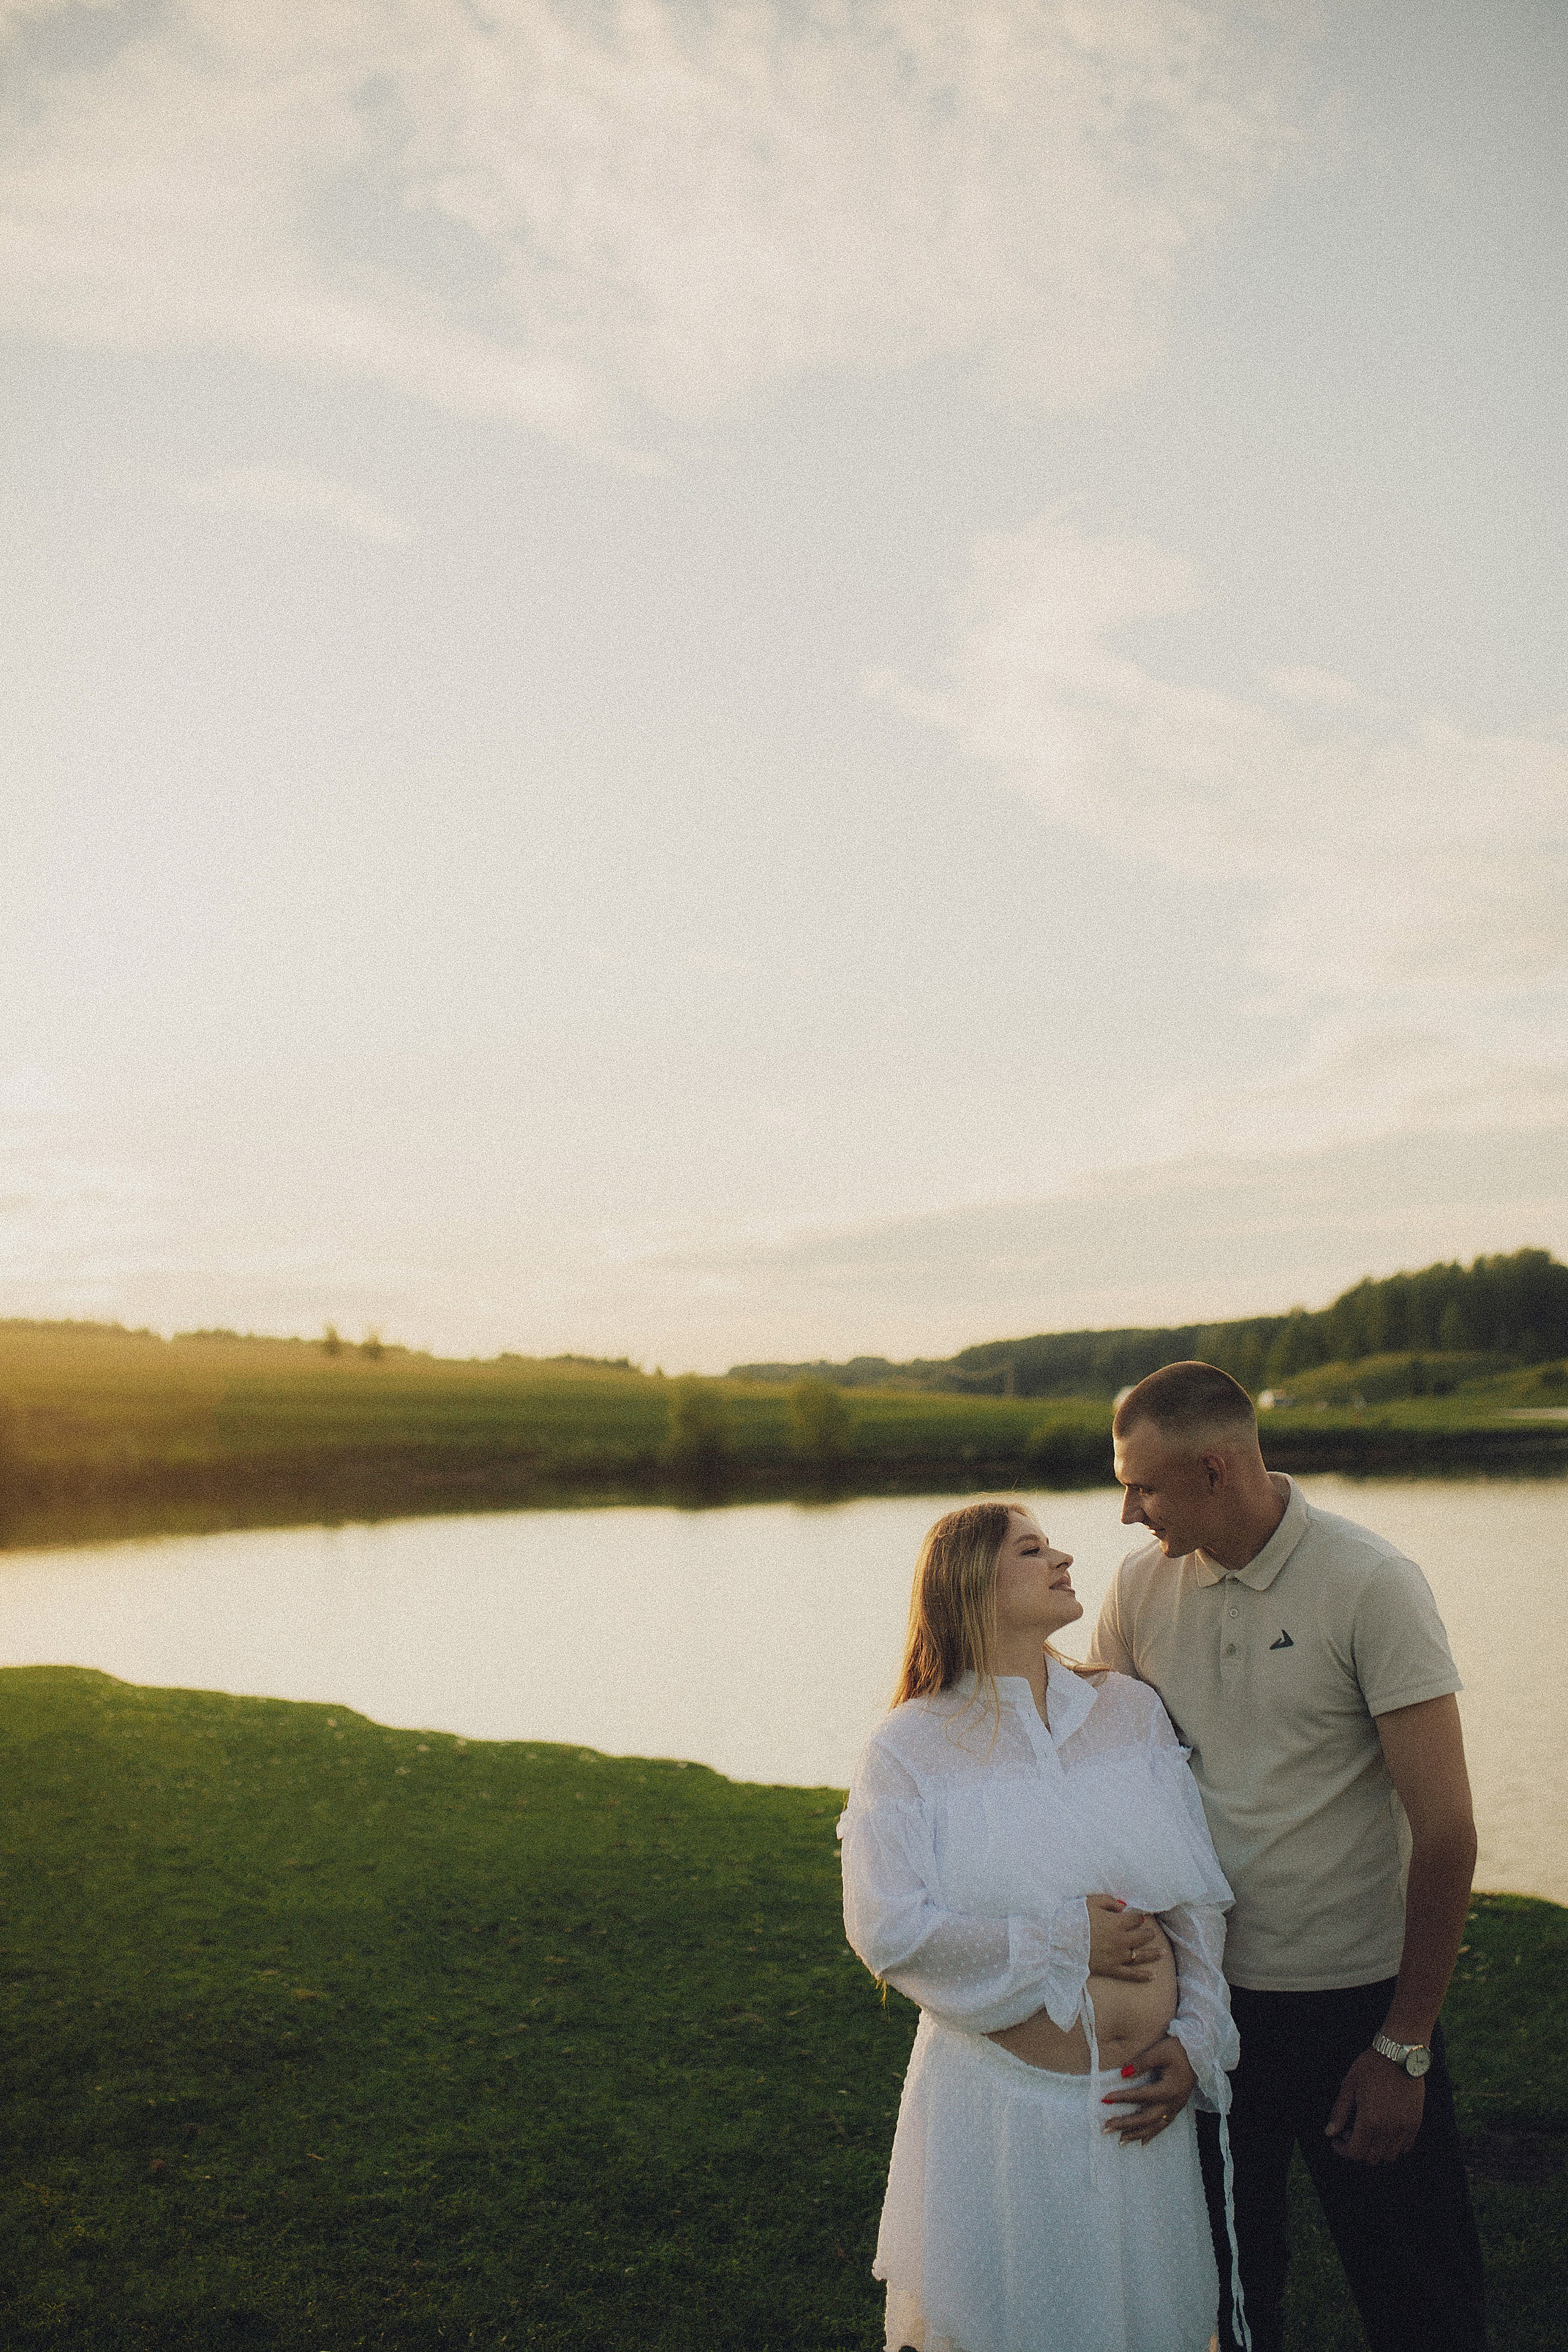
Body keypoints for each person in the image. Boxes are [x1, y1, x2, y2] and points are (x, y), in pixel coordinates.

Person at [1090, 1361, 1485, 2352]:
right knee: (1224, 2302)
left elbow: (1447, 1831)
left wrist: (1403, 2045)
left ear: (1216, 1471)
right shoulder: (1139, 1589)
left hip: (1356, 2009)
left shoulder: (1372, 1584)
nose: (1127, 1512)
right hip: (1207, 2007)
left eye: (1142, 1486)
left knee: (1422, 2307)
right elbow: (1108, 1780)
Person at [839, 1498, 1246, 2352]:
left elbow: (1195, 1900)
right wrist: (1067, 1938)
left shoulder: (1129, 1712)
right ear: (967, 1584)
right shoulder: (908, 1748)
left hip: (1142, 2110)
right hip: (999, 2118)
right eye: (1032, 1550)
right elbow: (887, 1926)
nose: (1063, 1557)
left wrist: (1196, 2039)